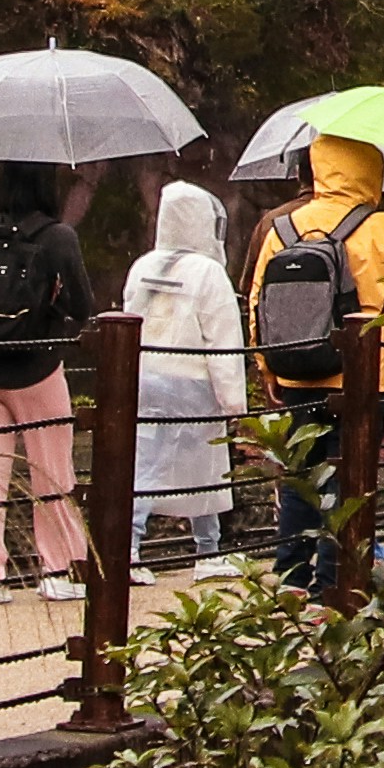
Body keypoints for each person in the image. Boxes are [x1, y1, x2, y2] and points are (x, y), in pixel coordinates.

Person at [244, 129, 384, 590]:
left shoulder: (282, 228)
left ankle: (290, 578)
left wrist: (268, 369)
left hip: (296, 371)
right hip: (364, 377)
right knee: (350, 482)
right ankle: (334, 586)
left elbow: (258, 304)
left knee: (300, 477)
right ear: (372, 170)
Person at [0, 159, 96, 602]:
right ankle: (57, 569)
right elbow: (82, 304)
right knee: (50, 471)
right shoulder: (58, 236)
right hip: (36, 371)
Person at [117, 177, 247, 569]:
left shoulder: (143, 266)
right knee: (202, 464)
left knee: (146, 459)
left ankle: (188, 546)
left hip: (145, 375)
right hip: (192, 381)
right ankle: (196, 550)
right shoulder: (208, 272)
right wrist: (234, 401)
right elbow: (223, 341)